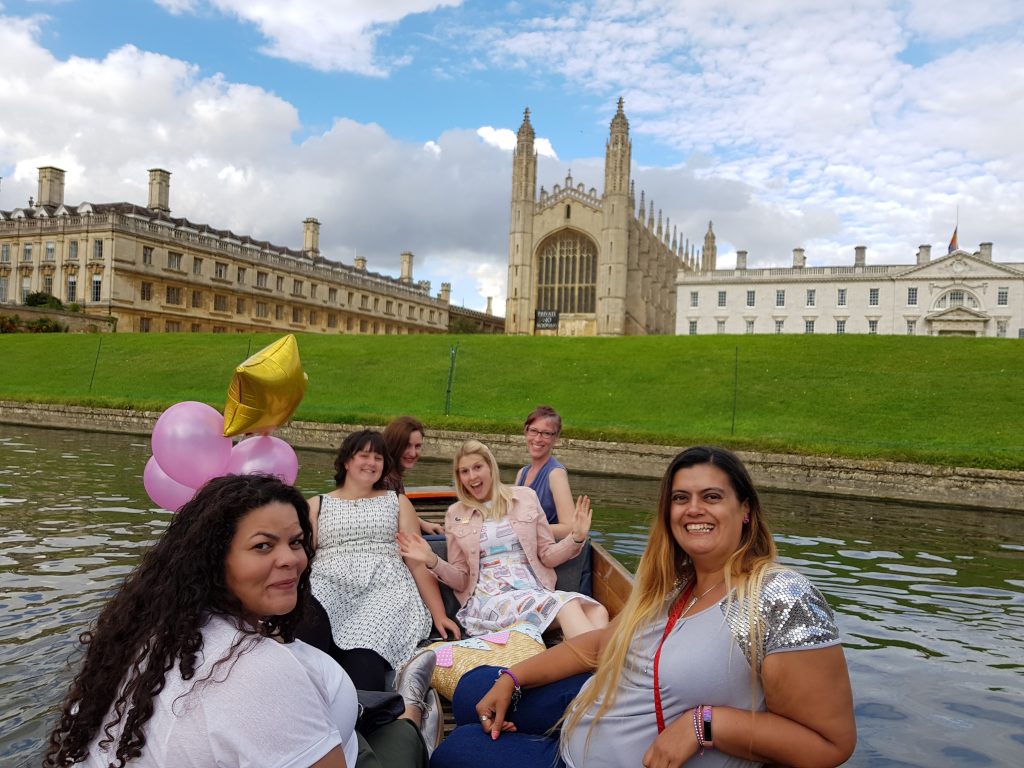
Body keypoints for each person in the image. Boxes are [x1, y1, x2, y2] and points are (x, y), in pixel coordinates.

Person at [432, 446, 856, 768]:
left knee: (454, 751)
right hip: (585, 710)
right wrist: (513, 676)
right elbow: (599, 648)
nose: (693, 510)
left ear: (745, 510)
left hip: (586, 755)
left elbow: (831, 742)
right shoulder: (673, 584)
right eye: (680, 498)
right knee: (476, 691)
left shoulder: (778, 597)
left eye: (711, 496)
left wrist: (703, 725)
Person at [43, 473, 413, 768]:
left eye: (296, 542)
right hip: (347, 750)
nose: (291, 560)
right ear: (214, 560)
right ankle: (415, 703)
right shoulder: (258, 673)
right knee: (406, 732)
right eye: (262, 546)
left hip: (322, 729)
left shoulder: (145, 632)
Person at [307, 429, 459, 731]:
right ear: (347, 461)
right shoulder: (316, 504)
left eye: (378, 457)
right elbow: (300, 558)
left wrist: (439, 614)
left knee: (365, 648)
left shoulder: (397, 502)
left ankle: (366, 727)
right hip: (329, 580)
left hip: (385, 585)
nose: (372, 462)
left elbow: (416, 560)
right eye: (364, 455)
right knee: (311, 629)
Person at [398, 440, 608, 639]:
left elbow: (546, 555)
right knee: (569, 606)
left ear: (490, 467)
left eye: (477, 467)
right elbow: (461, 579)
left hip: (532, 591)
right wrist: (432, 560)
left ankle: (588, 669)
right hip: (489, 600)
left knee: (598, 613)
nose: (472, 477)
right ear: (459, 477)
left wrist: (576, 538)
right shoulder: (455, 514)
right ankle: (598, 673)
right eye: (464, 471)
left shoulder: (526, 497)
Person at [516, 405, 575, 538]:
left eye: (546, 433)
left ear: (556, 437)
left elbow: (570, 528)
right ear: (526, 431)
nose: (537, 439)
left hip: (545, 552)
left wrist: (525, 529)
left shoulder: (556, 474)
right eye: (533, 431)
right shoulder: (522, 473)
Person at [382, 415, 444, 535]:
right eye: (407, 446)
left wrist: (422, 523)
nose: (413, 453)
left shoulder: (394, 474)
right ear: (394, 445)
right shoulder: (383, 478)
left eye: (417, 446)